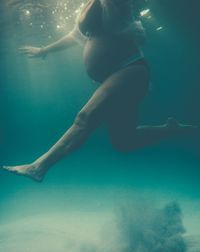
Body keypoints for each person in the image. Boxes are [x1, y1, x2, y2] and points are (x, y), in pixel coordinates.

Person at [2, 0, 198, 182]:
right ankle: (170, 130)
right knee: (124, 141)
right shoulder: (90, 4)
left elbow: (114, 23)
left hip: (130, 71)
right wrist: (44, 50)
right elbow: (75, 35)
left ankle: (38, 167)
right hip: (117, 76)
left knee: (85, 118)